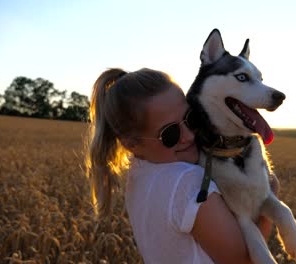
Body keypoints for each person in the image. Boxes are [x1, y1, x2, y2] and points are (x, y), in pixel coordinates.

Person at [85, 67, 275, 263]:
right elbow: (244, 261)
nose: (190, 135)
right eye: (170, 134)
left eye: (190, 118)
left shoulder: (139, 173)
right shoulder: (188, 182)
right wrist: (268, 195)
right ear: (131, 144)